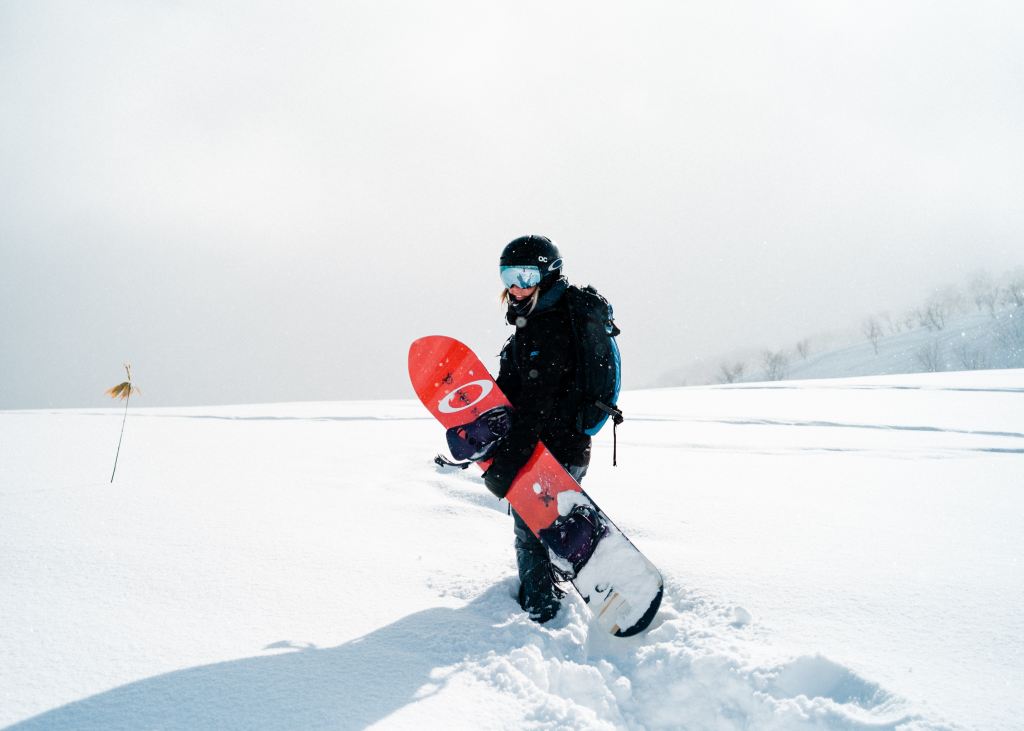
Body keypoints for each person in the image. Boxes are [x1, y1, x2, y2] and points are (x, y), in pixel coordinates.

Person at [482, 234, 591, 624]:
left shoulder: (549, 329)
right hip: (562, 447)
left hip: (551, 451)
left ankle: (541, 612)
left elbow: (536, 409)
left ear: (548, 275)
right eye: (508, 274)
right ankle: (553, 582)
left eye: (526, 275)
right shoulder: (539, 321)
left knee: (530, 533)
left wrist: (508, 464)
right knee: (546, 526)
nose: (516, 285)